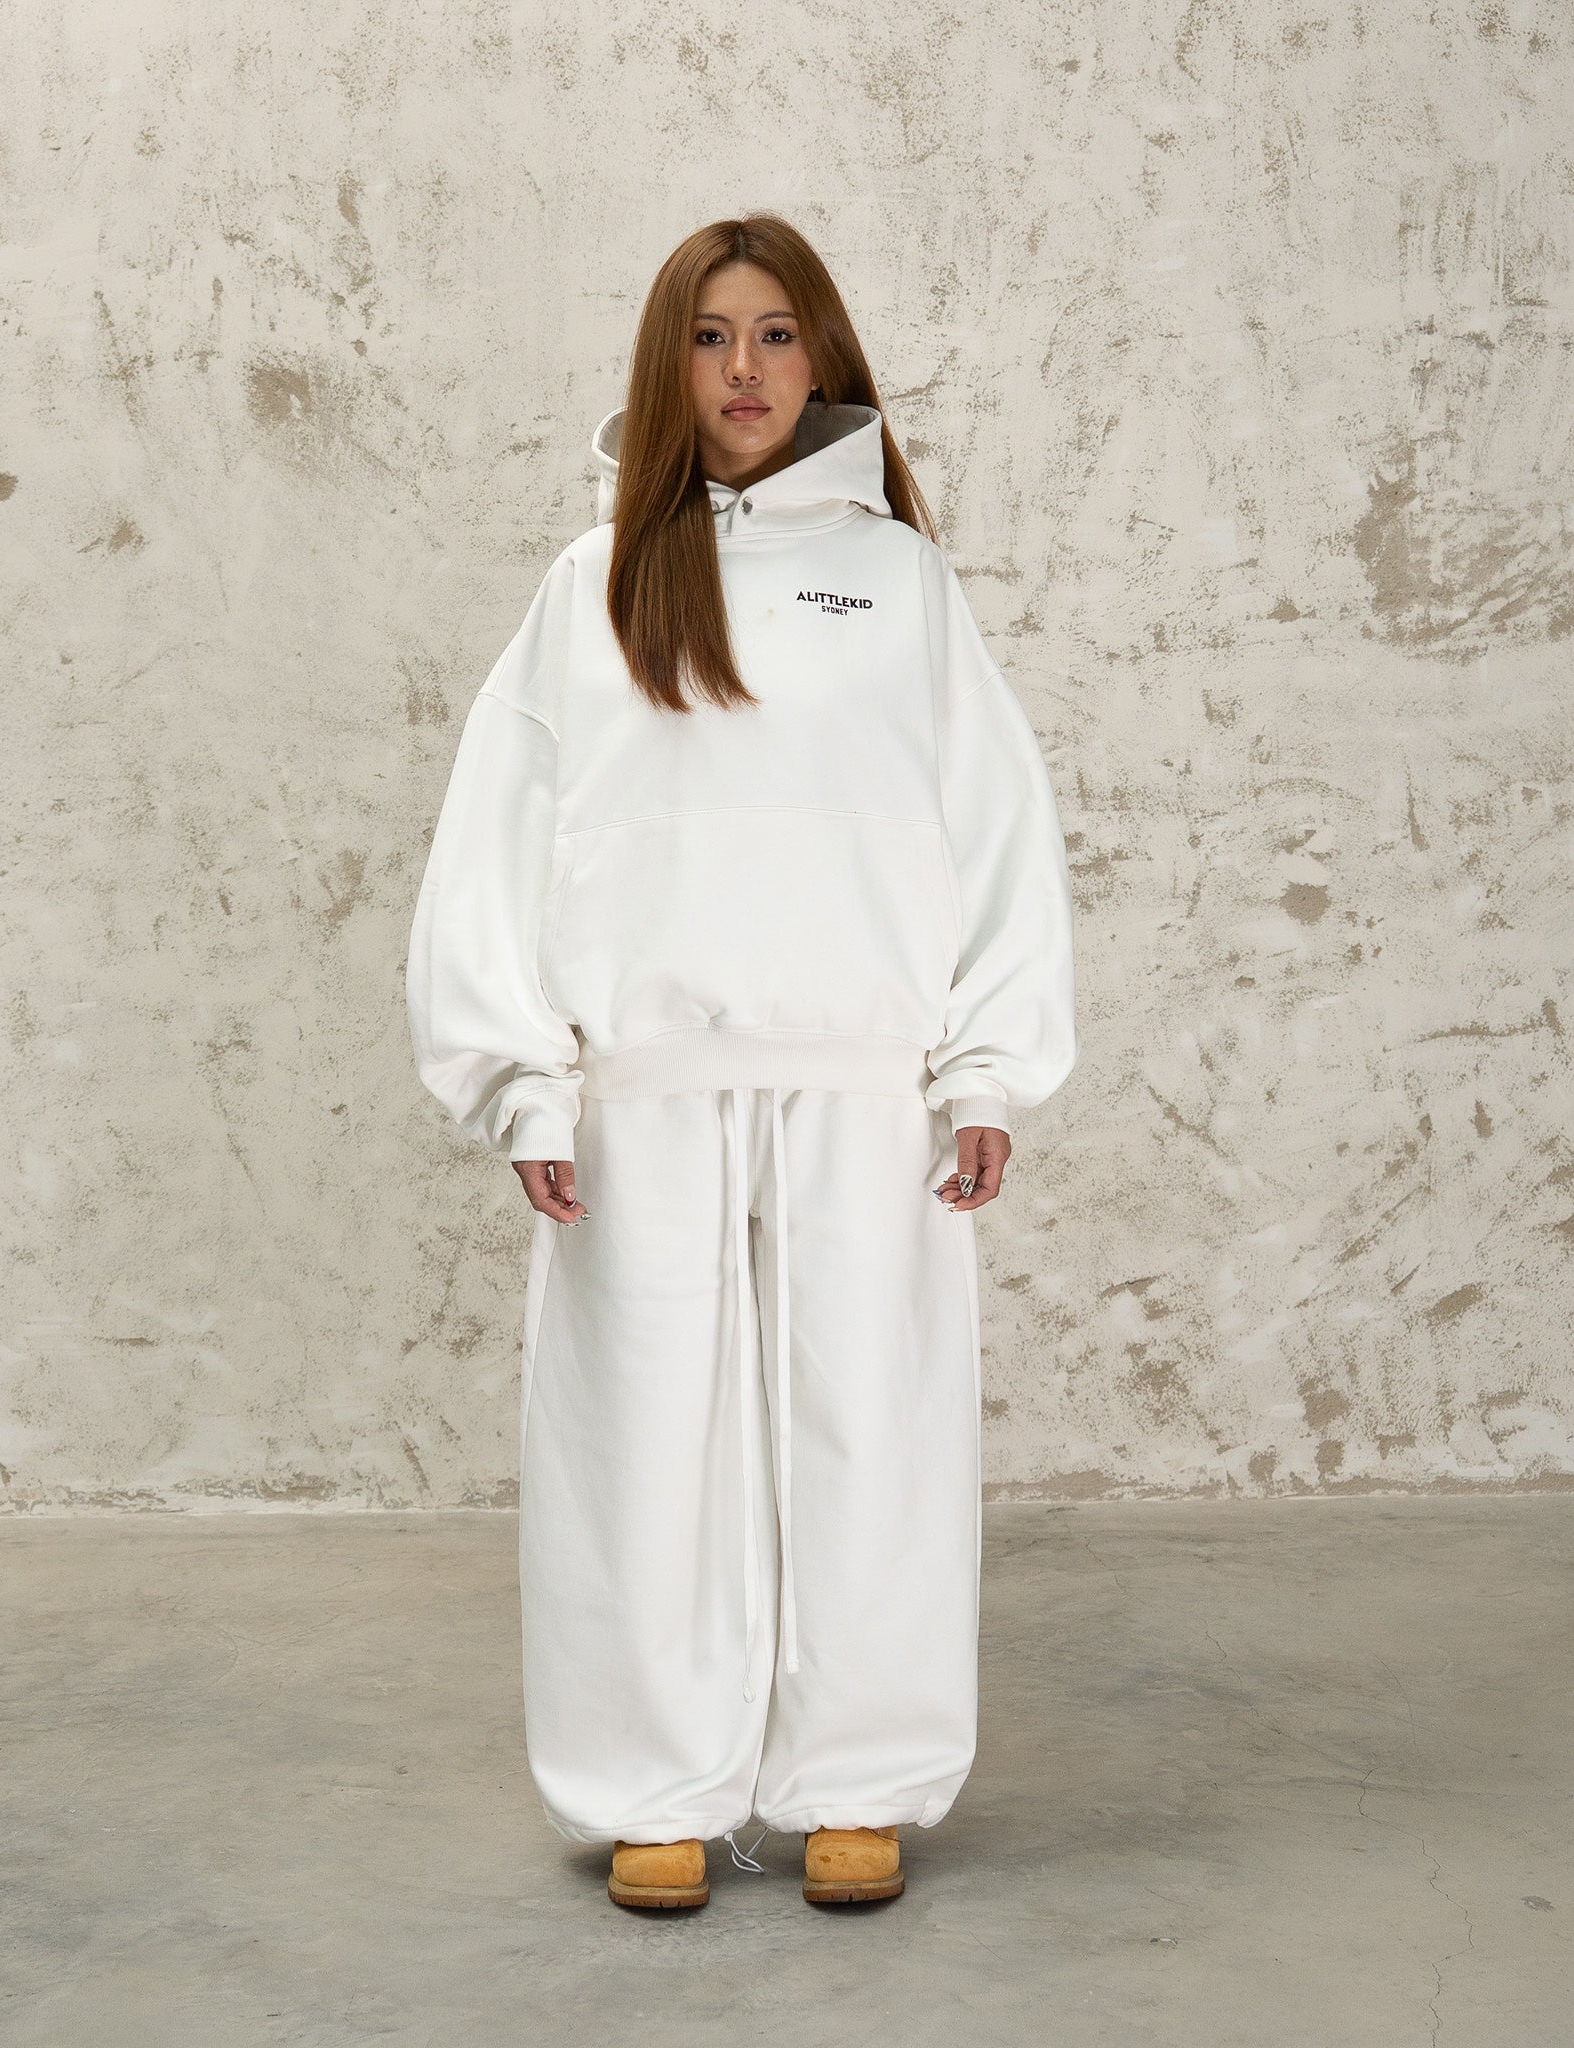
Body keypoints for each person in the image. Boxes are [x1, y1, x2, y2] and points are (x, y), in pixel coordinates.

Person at [405, 213, 1079, 1911]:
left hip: (863, 1083)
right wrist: (523, 1078)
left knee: (871, 1432)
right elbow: (498, 841)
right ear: (667, 364)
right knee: (642, 1443)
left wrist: (982, 1068)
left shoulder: (902, 584)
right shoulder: (595, 583)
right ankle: (657, 1785)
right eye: (709, 337)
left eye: (776, 334)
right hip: (647, 1085)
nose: (744, 370)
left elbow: (995, 829)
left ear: (823, 356)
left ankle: (856, 1777)